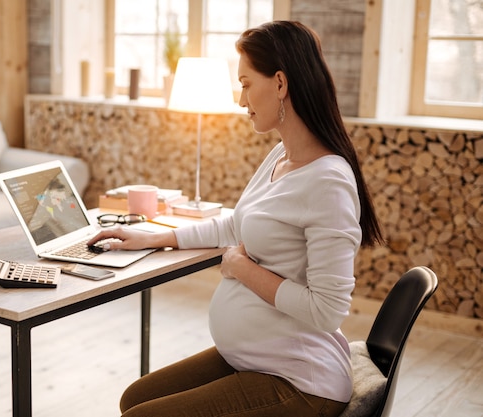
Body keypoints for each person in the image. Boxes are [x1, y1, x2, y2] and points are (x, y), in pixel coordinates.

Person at [88, 20, 384, 417]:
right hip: (263, 357)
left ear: (280, 83)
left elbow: (328, 310)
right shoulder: (280, 157)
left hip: (302, 382)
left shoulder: (328, 181)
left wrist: (241, 269)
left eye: (246, 83)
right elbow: (235, 225)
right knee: (133, 399)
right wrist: (151, 237)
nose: (241, 99)